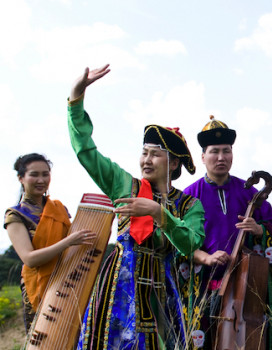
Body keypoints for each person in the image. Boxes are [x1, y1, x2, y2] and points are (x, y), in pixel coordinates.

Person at [67, 64, 206, 349]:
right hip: (119, 283)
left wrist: (158, 213)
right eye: (144, 153)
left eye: (155, 155)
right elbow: (86, 152)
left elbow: (191, 244)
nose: (146, 160)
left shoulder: (190, 204)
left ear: (175, 163)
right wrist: (76, 99)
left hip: (161, 289)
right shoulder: (124, 186)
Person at [183, 116, 272, 349]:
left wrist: (259, 230)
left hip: (245, 286)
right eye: (214, 151)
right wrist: (205, 257)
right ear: (203, 156)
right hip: (205, 284)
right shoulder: (189, 196)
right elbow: (180, 244)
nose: (221, 157)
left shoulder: (249, 193)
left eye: (226, 151)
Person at [4, 153, 95, 332]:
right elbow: (29, 259)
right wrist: (68, 242)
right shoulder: (15, 216)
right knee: (44, 338)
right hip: (38, 287)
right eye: (34, 174)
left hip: (68, 282)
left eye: (45, 174)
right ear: (21, 178)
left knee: (71, 337)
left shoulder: (58, 209)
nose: (41, 180)